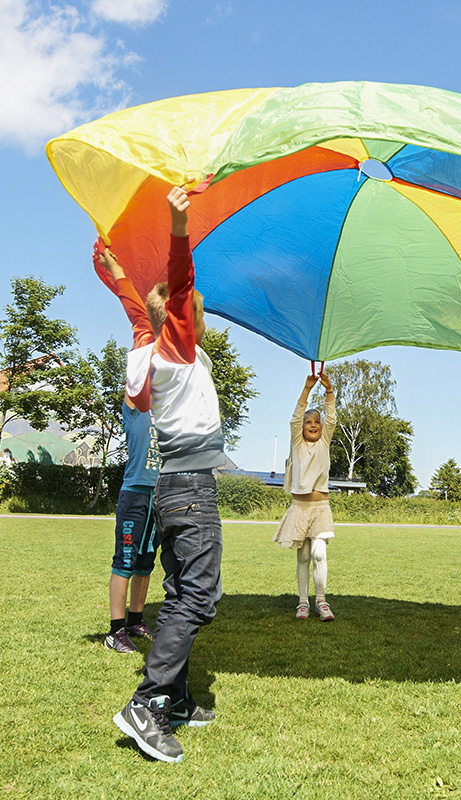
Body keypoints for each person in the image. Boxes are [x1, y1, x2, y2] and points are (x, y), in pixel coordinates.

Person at [112, 186, 226, 763]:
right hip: (192, 488)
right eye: (192, 314)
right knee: (200, 596)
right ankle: (149, 701)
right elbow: (177, 289)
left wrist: (119, 282)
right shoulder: (180, 351)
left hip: (170, 487)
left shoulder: (151, 353)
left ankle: (177, 698)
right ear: (187, 322)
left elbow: (144, 316)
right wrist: (178, 224)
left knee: (181, 589)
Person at [95, 246, 162, 655]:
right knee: (124, 561)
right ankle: (115, 628)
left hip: (160, 495)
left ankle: (136, 622)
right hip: (136, 492)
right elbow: (141, 324)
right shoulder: (135, 400)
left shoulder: (168, 406)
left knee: (145, 563)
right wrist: (118, 269)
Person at [274, 372, 337, 621]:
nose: (313, 425)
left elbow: (331, 417)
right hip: (300, 508)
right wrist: (307, 389)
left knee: (319, 554)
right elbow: (295, 417)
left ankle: (321, 601)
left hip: (321, 508)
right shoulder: (297, 444)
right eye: (308, 423)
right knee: (303, 556)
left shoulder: (324, 443)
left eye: (317, 423)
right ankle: (303, 603)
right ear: (302, 428)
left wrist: (329, 391)